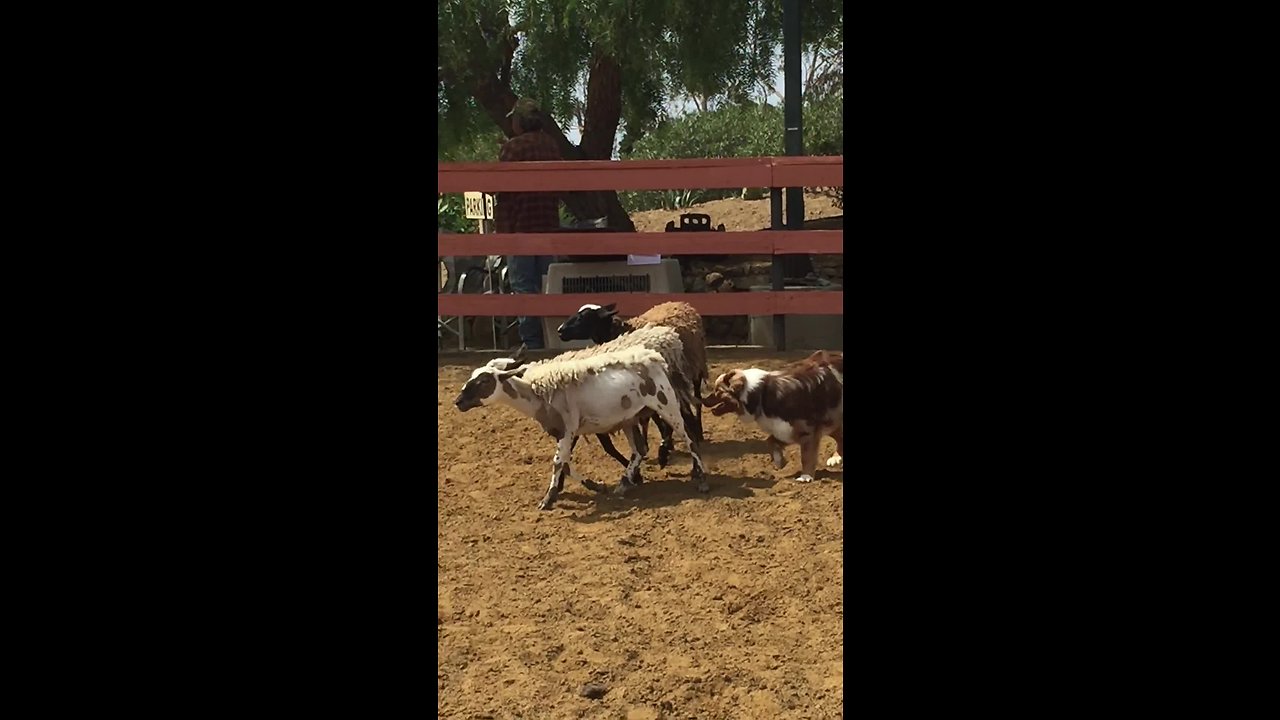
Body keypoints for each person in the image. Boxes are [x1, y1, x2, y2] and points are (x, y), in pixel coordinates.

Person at [495, 98, 563, 349]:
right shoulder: (552, 146)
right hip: (547, 225)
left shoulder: (512, 149)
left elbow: (503, 193)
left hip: (520, 227)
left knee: (524, 287)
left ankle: (532, 343)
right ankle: (551, 339)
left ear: (520, 122)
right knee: (548, 284)